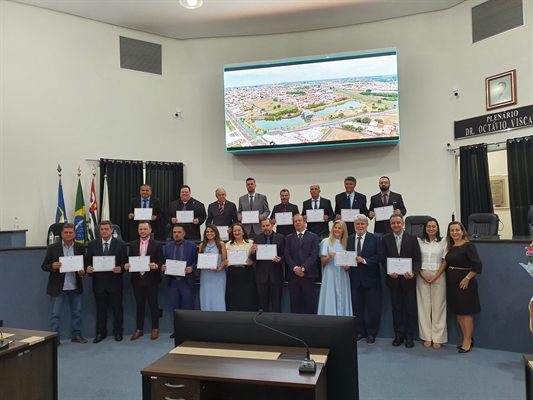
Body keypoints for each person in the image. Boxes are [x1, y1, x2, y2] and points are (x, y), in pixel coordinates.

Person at [41, 223, 87, 344]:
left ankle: (76, 335)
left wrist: (83, 272)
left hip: (75, 286)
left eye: (70, 232)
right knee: (55, 315)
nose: (68, 235)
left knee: (77, 313)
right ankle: (55, 339)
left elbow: (85, 266)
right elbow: (44, 266)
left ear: (74, 234)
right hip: (58, 286)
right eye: (65, 232)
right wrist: (52, 266)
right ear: (61, 234)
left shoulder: (80, 248)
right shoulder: (53, 248)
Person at [381, 214, 421, 348]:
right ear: (390, 225)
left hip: (408, 280)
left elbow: (417, 259)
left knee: (409, 309)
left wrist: (414, 273)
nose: (396, 225)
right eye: (393, 223)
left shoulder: (413, 239)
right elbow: (384, 259)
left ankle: (409, 337)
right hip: (393, 280)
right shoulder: (385, 239)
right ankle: (398, 335)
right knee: (396, 308)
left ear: (403, 224)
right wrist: (388, 270)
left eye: (398, 223)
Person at [86, 220, 128, 343]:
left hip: (115, 282)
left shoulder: (120, 244)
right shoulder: (92, 244)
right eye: (101, 229)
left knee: (117, 309)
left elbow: (124, 262)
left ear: (111, 230)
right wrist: (88, 268)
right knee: (100, 310)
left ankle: (118, 332)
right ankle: (100, 333)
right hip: (99, 283)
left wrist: (120, 268)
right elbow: (88, 261)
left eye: (106, 229)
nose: (103, 231)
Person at [444, 221, 482, 353]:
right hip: (452, 283)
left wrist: (466, 279)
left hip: (465, 284)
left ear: (462, 231)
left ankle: (467, 340)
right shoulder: (451, 246)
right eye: (452, 230)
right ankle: (466, 338)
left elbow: (477, 265)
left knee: (465, 312)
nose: (455, 233)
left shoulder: (468, 246)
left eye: (457, 230)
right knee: (458, 312)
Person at [346, 215, 384, 345]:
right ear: (354, 226)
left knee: (374, 308)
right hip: (355, 279)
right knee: (357, 308)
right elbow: (347, 256)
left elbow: (380, 256)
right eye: (357, 224)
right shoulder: (350, 239)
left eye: (362, 224)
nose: (360, 226)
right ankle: (361, 332)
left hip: (371, 280)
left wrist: (365, 261)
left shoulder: (375, 238)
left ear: (367, 225)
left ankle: (372, 333)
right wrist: (346, 264)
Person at [125, 221, 164, 341]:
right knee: (140, 305)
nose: (142, 231)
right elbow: (130, 260)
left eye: (145, 229)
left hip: (152, 279)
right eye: (140, 229)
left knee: (153, 305)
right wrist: (127, 266)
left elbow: (161, 260)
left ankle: (155, 329)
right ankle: (139, 329)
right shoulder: (132, 244)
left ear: (150, 230)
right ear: (138, 231)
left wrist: (156, 266)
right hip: (137, 279)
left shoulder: (157, 244)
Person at [416, 218, 448, 349]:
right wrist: (422, 274)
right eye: (428, 226)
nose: (431, 229)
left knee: (438, 306)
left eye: (433, 226)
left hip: (438, 274)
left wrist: (436, 275)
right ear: (425, 228)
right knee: (423, 306)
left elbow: (445, 260)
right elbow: (415, 258)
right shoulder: (419, 242)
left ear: (437, 228)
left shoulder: (443, 242)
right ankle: (426, 337)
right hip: (422, 274)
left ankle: (438, 338)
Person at [284, 215, 319, 314]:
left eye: (299, 220)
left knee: (309, 303)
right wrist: (295, 268)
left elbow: (313, 255)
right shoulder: (289, 237)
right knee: (295, 303)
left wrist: (303, 268)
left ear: (304, 222)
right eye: (295, 221)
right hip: (293, 275)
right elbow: (287, 254)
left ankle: (309, 327)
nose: (298, 223)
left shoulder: (313, 236)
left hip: (308, 275)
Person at [317, 220, 352, 317]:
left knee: (343, 296)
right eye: (335, 228)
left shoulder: (346, 243)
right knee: (330, 296)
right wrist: (329, 256)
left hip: (343, 274)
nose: (337, 230)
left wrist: (347, 266)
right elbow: (323, 260)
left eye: (339, 228)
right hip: (330, 273)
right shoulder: (326, 242)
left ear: (343, 230)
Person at [162, 224, 198, 317]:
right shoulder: (167, 246)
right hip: (173, 282)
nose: (176, 234)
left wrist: (192, 268)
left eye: (179, 232)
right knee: (175, 309)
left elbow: (195, 261)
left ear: (184, 234)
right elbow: (164, 261)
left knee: (188, 307)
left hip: (186, 281)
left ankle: (190, 331)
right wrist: (163, 267)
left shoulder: (192, 246)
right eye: (174, 232)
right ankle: (178, 330)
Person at [250, 219, 285, 313]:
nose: (265, 228)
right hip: (261, 276)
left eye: (267, 225)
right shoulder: (256, 238)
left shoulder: (281, 238)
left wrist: (280, 259)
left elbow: (284, 254)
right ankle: (263, 324)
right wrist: (252, 252)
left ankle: (277, 323)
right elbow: (253, 258)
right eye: (263, 226)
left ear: (272, 225)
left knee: (276, 303)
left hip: (276, 275)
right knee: (262, 304)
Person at [225, 223, 257, 311]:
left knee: (248, 296)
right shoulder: (227, 245)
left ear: (243, 232)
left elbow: (255, 258)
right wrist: (226, 262)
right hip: (233, 273)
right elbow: (224, 259)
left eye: (239, 230)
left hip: (247, 273)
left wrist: (252, 261)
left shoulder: (251, 243)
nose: (237, 232)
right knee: (234, 297)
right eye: (234, 231)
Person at [198, 224, 228, 311]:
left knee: (218, 298)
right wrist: (200, 266)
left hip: (218, 275)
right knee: (206, 298)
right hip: (206, 276)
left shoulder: (221, 244)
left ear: (216, 233)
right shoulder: (202, 245)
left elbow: (224, 260)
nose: (209, 233)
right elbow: (200, 260)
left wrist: (218, 269)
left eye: (211, 231)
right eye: (207, 232)